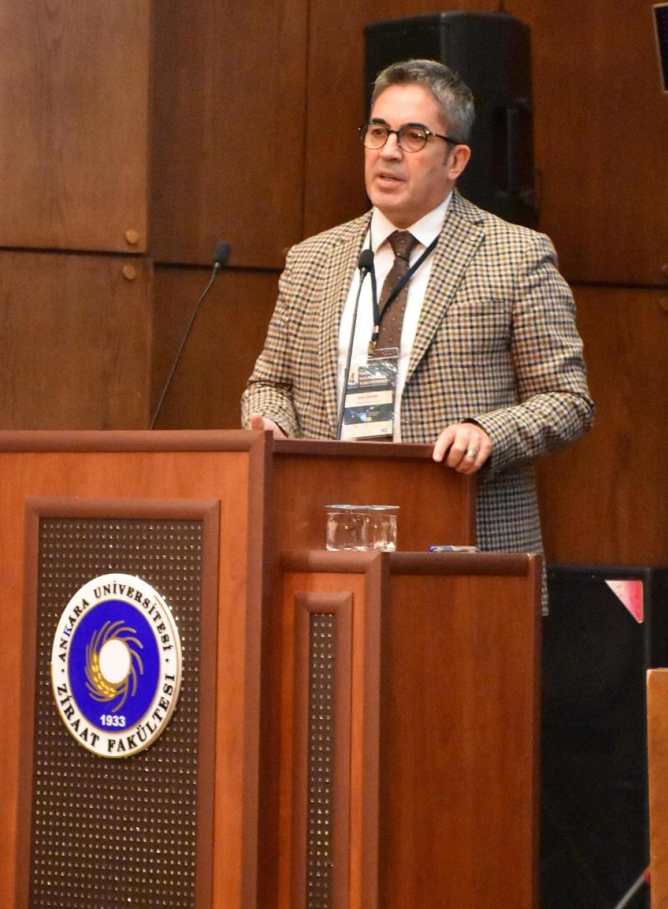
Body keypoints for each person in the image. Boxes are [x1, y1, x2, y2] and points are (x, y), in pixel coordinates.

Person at [241, 58, 593, 561]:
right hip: (325, 539)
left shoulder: (515, 256)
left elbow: (568, 400)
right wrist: (271, 424)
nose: (388, 151)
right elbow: (269, 384)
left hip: (462, 542)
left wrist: (487, 433)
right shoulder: (312, 260)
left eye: (413, 136)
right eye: (378, 132)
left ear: (456, 160)